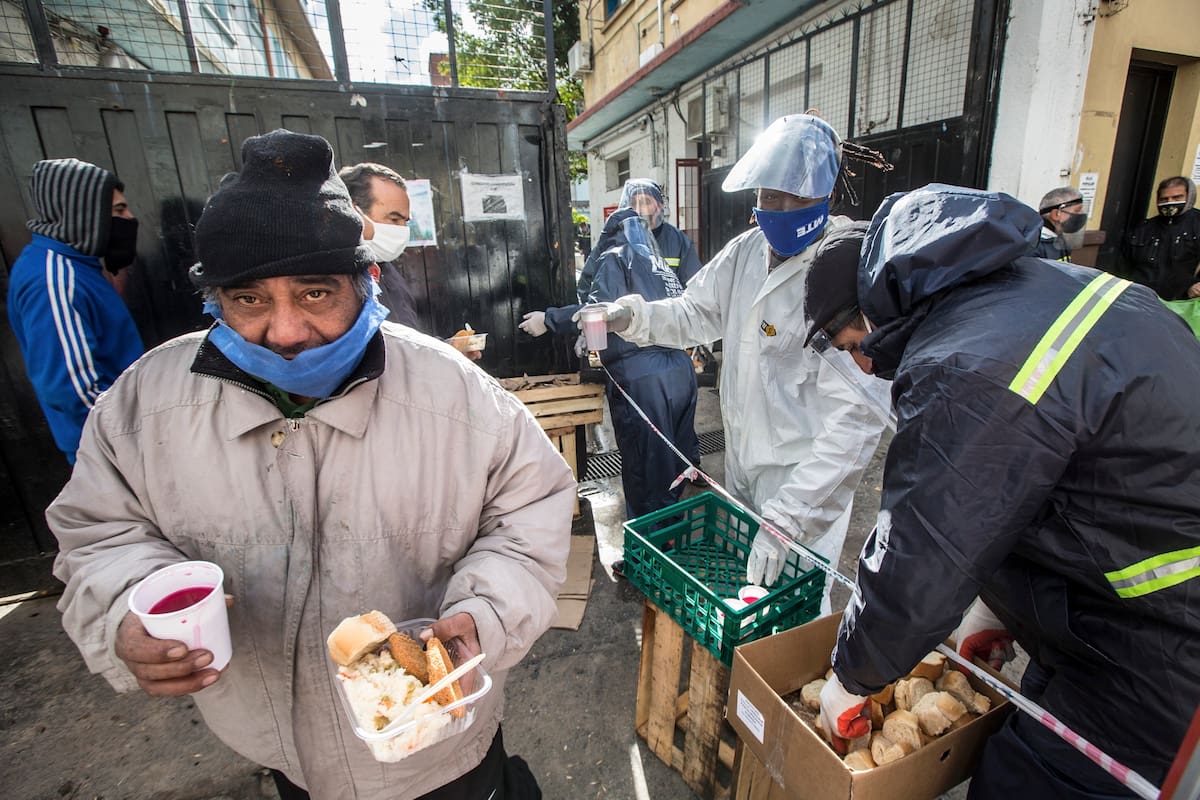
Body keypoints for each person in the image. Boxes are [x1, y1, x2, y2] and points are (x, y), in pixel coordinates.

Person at [47, 130, 576, 800]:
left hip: (443, 748)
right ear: (214, 302)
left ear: (366, 281)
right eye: (249, 300)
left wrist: (485, 614)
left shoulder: (458, 395)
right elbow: (100, 534)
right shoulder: (143, 407)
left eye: (316, 293)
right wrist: (126, 608)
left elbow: (529, 512)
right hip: (279, 747)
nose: (286, 329)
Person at [805, 183, 1200, 799]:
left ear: (871, 309)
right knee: (1029, 726)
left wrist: (853, 675)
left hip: (1165, 641)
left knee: (1021, 779)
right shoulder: (1041, 295)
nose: (862, 366)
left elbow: (923, 541)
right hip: (1114, 606)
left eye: (854, 347)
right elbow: (1029, 488)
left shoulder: (967, 363)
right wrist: (1001, 605)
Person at [584, 115, 889, 613]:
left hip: (803, 485)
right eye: (770, 196)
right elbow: (694, 312)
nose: (780, 209)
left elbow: (854, 425)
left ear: (827, 196)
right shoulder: (747, 251)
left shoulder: (845, 271)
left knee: (797, 612)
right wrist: (629, 316)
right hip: (745, 467)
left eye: (796, 199)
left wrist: (791, 518)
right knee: (746, 606)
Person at [6, 157, 144, 464]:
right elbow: (72, 388)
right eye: (118, 211)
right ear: (85, 214)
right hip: (114, 448)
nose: (130, 218)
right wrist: (136, 436)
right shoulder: (54, 279)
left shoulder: (77, 267)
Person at [338, 162, 421, 328]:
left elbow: (405, 338)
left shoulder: (387, 269)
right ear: (354, 212)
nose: (402, 230)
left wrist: (445, 349)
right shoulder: (336, 279)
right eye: (394, 219)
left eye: (405, 221)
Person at [1122, 175, 1200, 300]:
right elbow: (1124, 264)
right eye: (1164, 199)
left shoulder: (1197, 225)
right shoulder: (1144, 228)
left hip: (1182, 302)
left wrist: (1194, 286)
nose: (1170, 203)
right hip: (1141, 298)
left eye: (1177, 197)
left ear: (1189, 197)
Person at [1031, 186, 1086, 261]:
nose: (1082, 213)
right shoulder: (1034, 246)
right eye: (1077, 210)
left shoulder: (1058, 239)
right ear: (1056, 214)